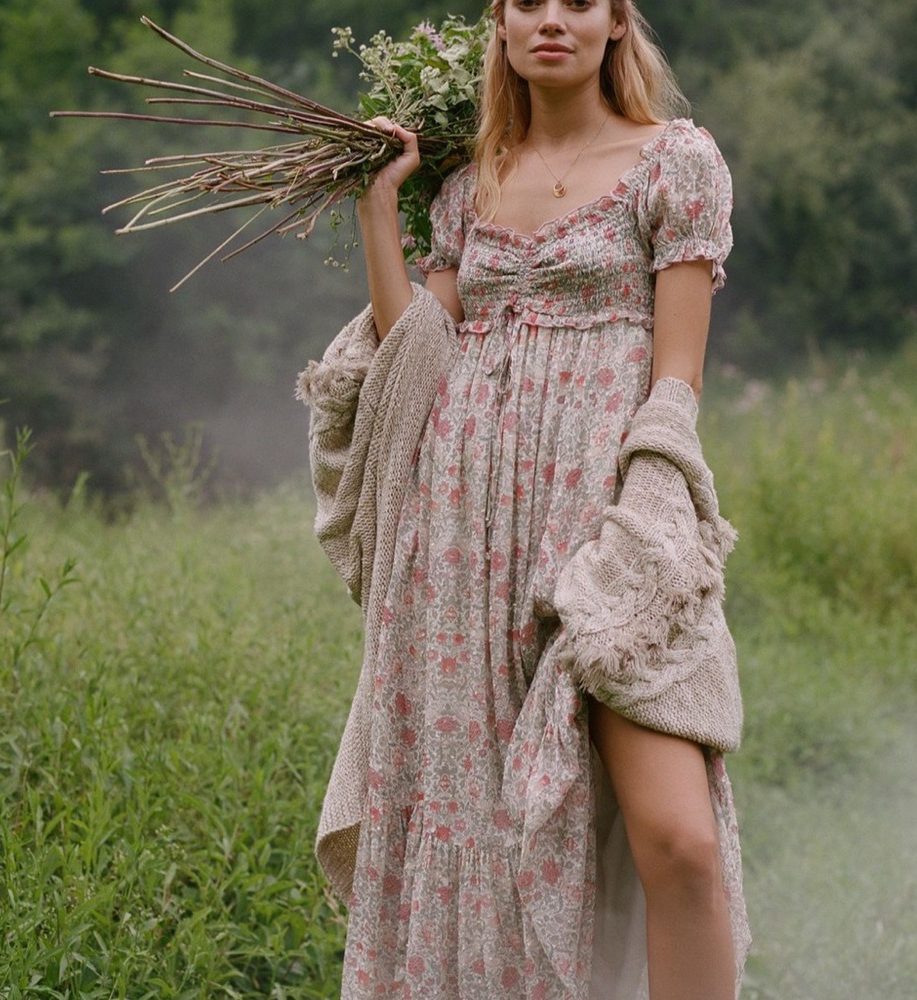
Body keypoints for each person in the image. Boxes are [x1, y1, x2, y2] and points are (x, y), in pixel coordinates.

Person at [297, 1, 751, 997]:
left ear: (616, 22)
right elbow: (416, 359)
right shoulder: (470, 190)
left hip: (609, 517)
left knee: (678, 842)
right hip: (464, 534)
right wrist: (380, 211)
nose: (553, 19)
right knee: (484, 829)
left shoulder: (675, 161)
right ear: (499, 26)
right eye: (527, 2)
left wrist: (646, 513)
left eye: (578, 1)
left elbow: (677, 377)